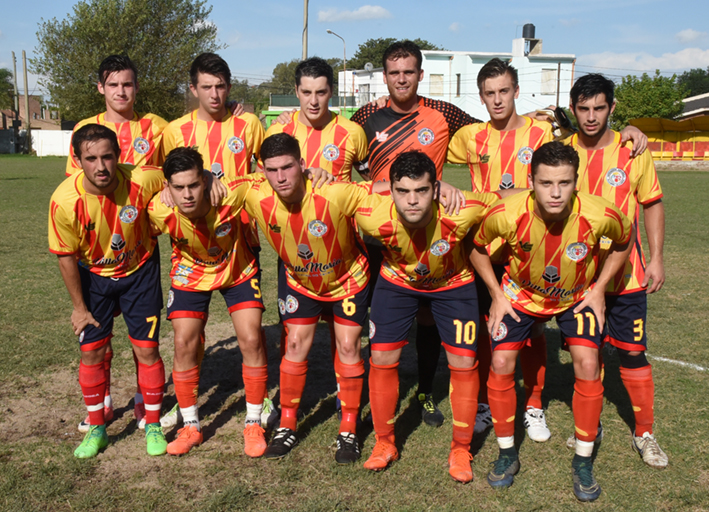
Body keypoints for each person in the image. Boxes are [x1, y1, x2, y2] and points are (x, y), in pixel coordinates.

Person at [471, 141, 634, 501]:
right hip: (519, 296)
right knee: (499, 362)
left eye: (565, 183)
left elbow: (625, 239)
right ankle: (506, 454)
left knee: (589, 364)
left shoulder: (600, 212)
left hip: (576, 296)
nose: (556, 193)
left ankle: (583, 462)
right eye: (546, 183)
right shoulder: (507, 212)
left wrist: (599, 289)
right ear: (531, 181)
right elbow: (477, 246)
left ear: (577, 181)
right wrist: (497, 294)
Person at [350, 40, 483, 427]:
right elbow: (345, 154)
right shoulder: (366, 115)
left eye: (409, 71)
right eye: (394, 72)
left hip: (427, 233)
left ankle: (425, 391)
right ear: (384, 77)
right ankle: (366, 397)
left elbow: (489, 132)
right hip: (379, 234)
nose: (402, 78)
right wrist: (374, 186)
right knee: (367, 315)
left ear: (420, 75)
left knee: (426, 318)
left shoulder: (442, 113)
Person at [355, 151, 501, 483]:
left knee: (464, 364)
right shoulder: (370, 213)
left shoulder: (463, 210)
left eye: (421, 191)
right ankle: (384, 443)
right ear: (389, 190)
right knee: (381, 357)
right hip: (397, 283)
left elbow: (509, 198)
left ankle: (461, 449)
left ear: (435, 189)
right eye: (402, 191)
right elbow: (330, 189)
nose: (412, 201)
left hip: (453, 284)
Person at [240, 133, 371, 464]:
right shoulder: (253, 192)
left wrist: (441, 188)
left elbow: (382, 189)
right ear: (262, 171)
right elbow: (207, 186)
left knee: (348, 347)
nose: (281, 177)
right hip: (300, 282)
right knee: (295, 346)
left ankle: (349, 428)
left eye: (288, 167)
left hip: (347, 279)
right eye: (272, 170)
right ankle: (286, 424)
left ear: (302, 164)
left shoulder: (334, 190)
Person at [448, 58, 555, 441]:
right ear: (481, 97)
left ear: (516, 92)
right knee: (481, 328)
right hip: (483, 248)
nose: (497, 100)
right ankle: (481, 404)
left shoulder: (541, 133)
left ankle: (534, 405)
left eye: (503, 91)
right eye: (489, 94)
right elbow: (424, 153)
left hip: (527, 249)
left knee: (534, 331)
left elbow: (559, 172)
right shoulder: (469, 137)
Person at [49, 124, 168, 458]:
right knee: (92, 353)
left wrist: (196, 179)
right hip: (93, 277)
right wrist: (79, 307)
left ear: (118, 157)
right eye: (91, 159)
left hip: (139, 271)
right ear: (77, 160)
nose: (100, 166)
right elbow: (65, 257)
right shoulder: (64, 201)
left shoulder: (142, 179)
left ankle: (154, 425)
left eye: (107, 157)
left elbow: (178, 172)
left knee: (146, 349)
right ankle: (97, 429)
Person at [567, 73, 667, 468]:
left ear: (611, 108)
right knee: (586, 356)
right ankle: (592, 424)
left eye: (599, 108)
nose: (591, 117)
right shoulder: (558, 148)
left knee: (632, 354)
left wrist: (657, 257)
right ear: (573, 109)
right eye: (584, 108)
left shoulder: (633, 150)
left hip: (627, 277)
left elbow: (653, 203)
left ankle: (645, 433)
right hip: (578, 277)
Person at [66, 55, 168, 432]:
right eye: (113, 85)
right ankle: (103, 403)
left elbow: (182, 153)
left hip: (140, 245)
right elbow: (76, 185)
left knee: (144, 340)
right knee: (97, 338)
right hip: (95, 253)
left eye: (127, 84)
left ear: (136, 87)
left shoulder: (156, 126)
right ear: (101, 89)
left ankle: (144, 403)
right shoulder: (84, 128)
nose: (121, 91)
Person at [148, 147, 268, 457]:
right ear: (168, 187)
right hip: (190, 273)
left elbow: (272, 177)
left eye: (193, 185)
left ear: (204, 180)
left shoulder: (230, 194)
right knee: (184, 342)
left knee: (252, 338)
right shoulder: (159, 210)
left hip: (237, 269)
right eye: (178, 187)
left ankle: (254, 422)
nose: (187, 195)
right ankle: (191, 426)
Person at [266, 57, 368, 182]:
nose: (313, 101)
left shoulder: (353, 132)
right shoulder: (277, 130)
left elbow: (374, 182)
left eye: (321, 93)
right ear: (296, 91)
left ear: (331, 92)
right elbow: (261, 182)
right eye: (306, 92)